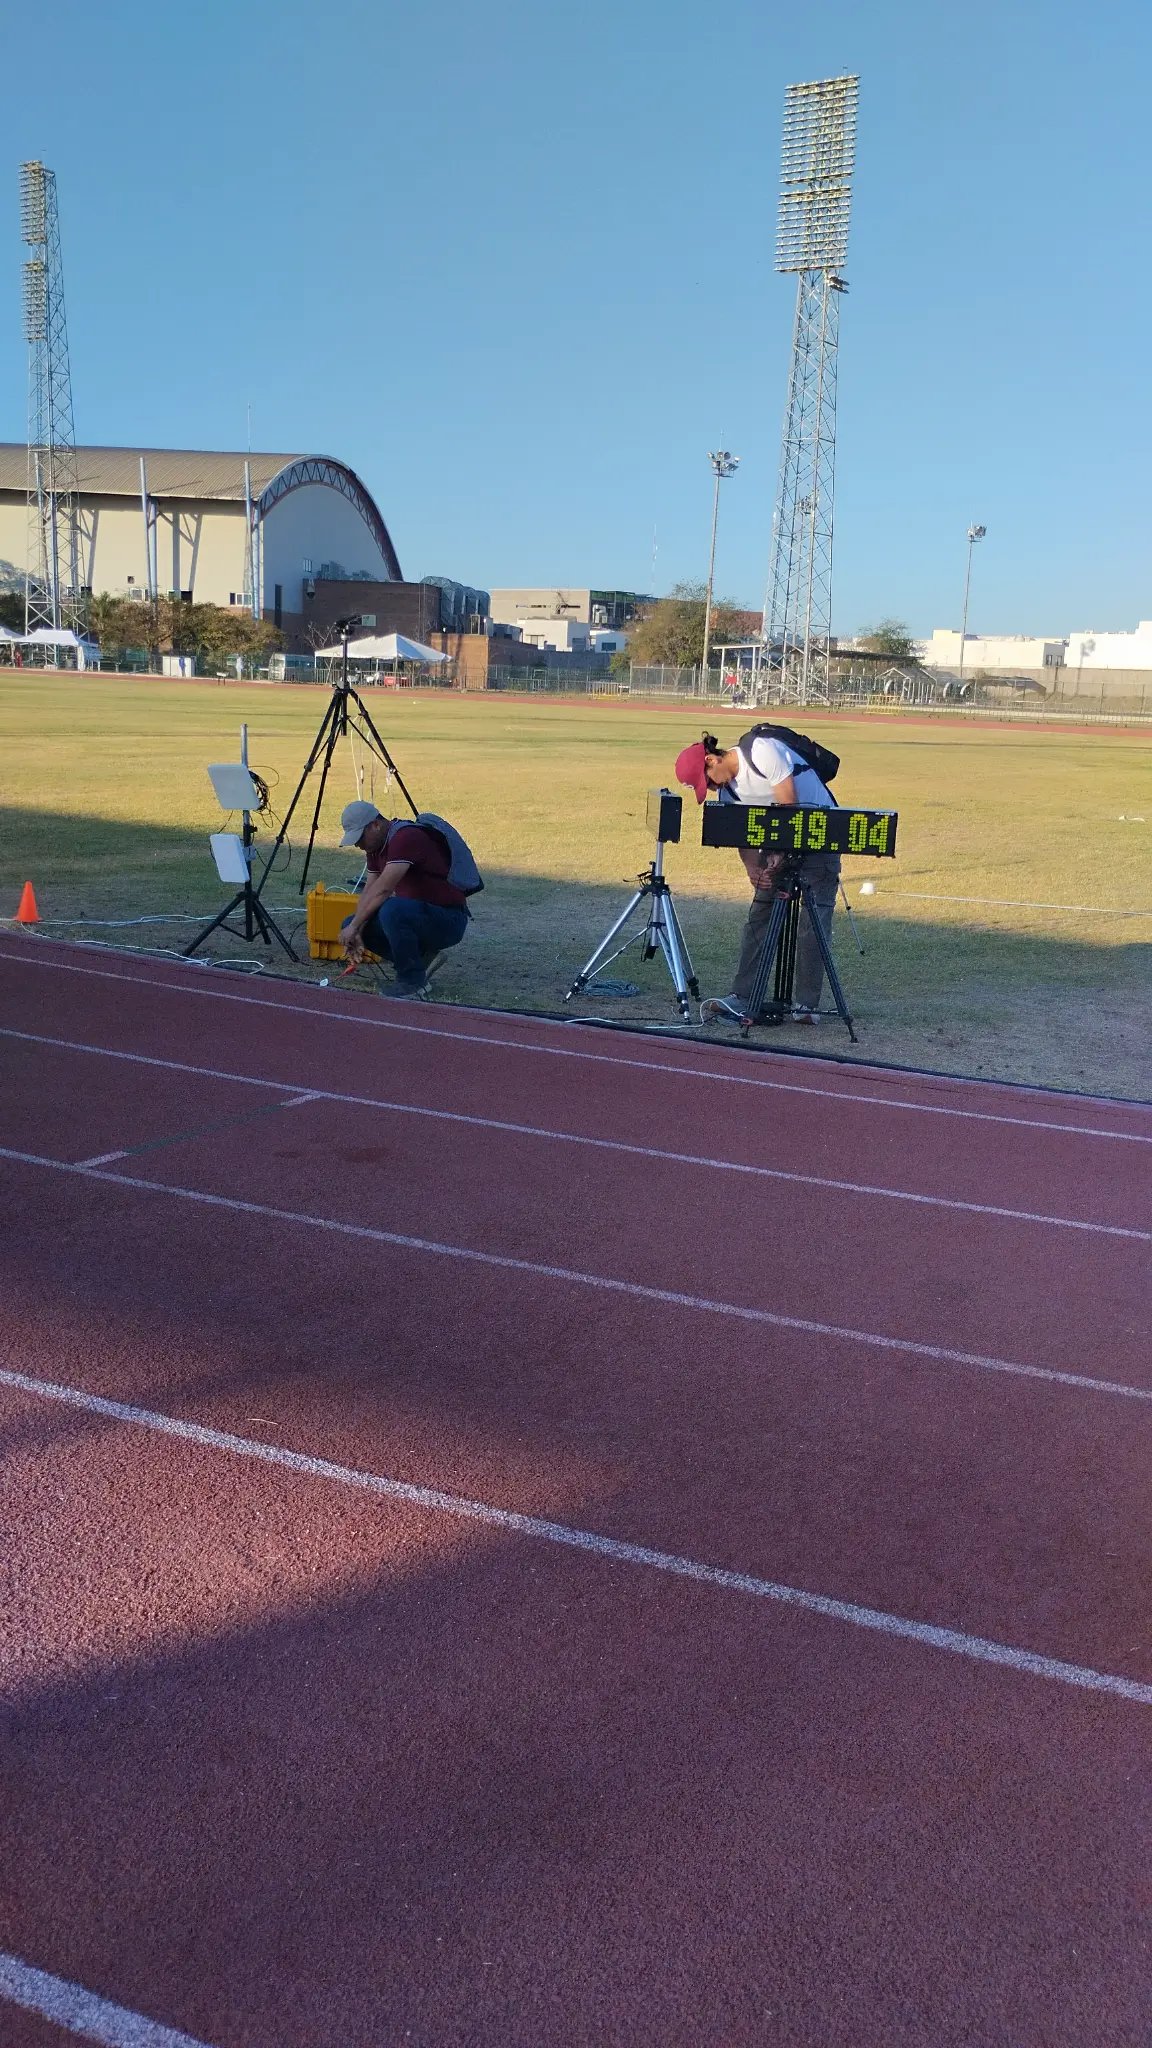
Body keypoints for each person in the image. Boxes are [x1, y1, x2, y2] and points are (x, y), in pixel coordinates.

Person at [675, 728, 840, 1025]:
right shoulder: (728, 791)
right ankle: (742, 996)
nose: (711, 789)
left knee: (812, 922)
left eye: (707, 782)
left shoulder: (761, 750)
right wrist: (755, 869)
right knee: (759, 915)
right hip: (779, 840)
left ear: (712, 760)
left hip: (819, 833)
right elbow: (743, 836)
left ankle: (806, 1006)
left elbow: (788, 801)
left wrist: (779, 854)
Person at [338, 800, 470, 999]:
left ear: (375, 824)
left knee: (391, 909)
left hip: (449, 918)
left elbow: (383, 890)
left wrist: (356, 926)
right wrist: (356, 927)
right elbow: (370, 891)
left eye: (360, 838)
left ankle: (413, 982)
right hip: (420, 915)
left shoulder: (406, 837)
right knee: (351, 921)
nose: (358, 844)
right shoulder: (375, 848)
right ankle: (420, 962)